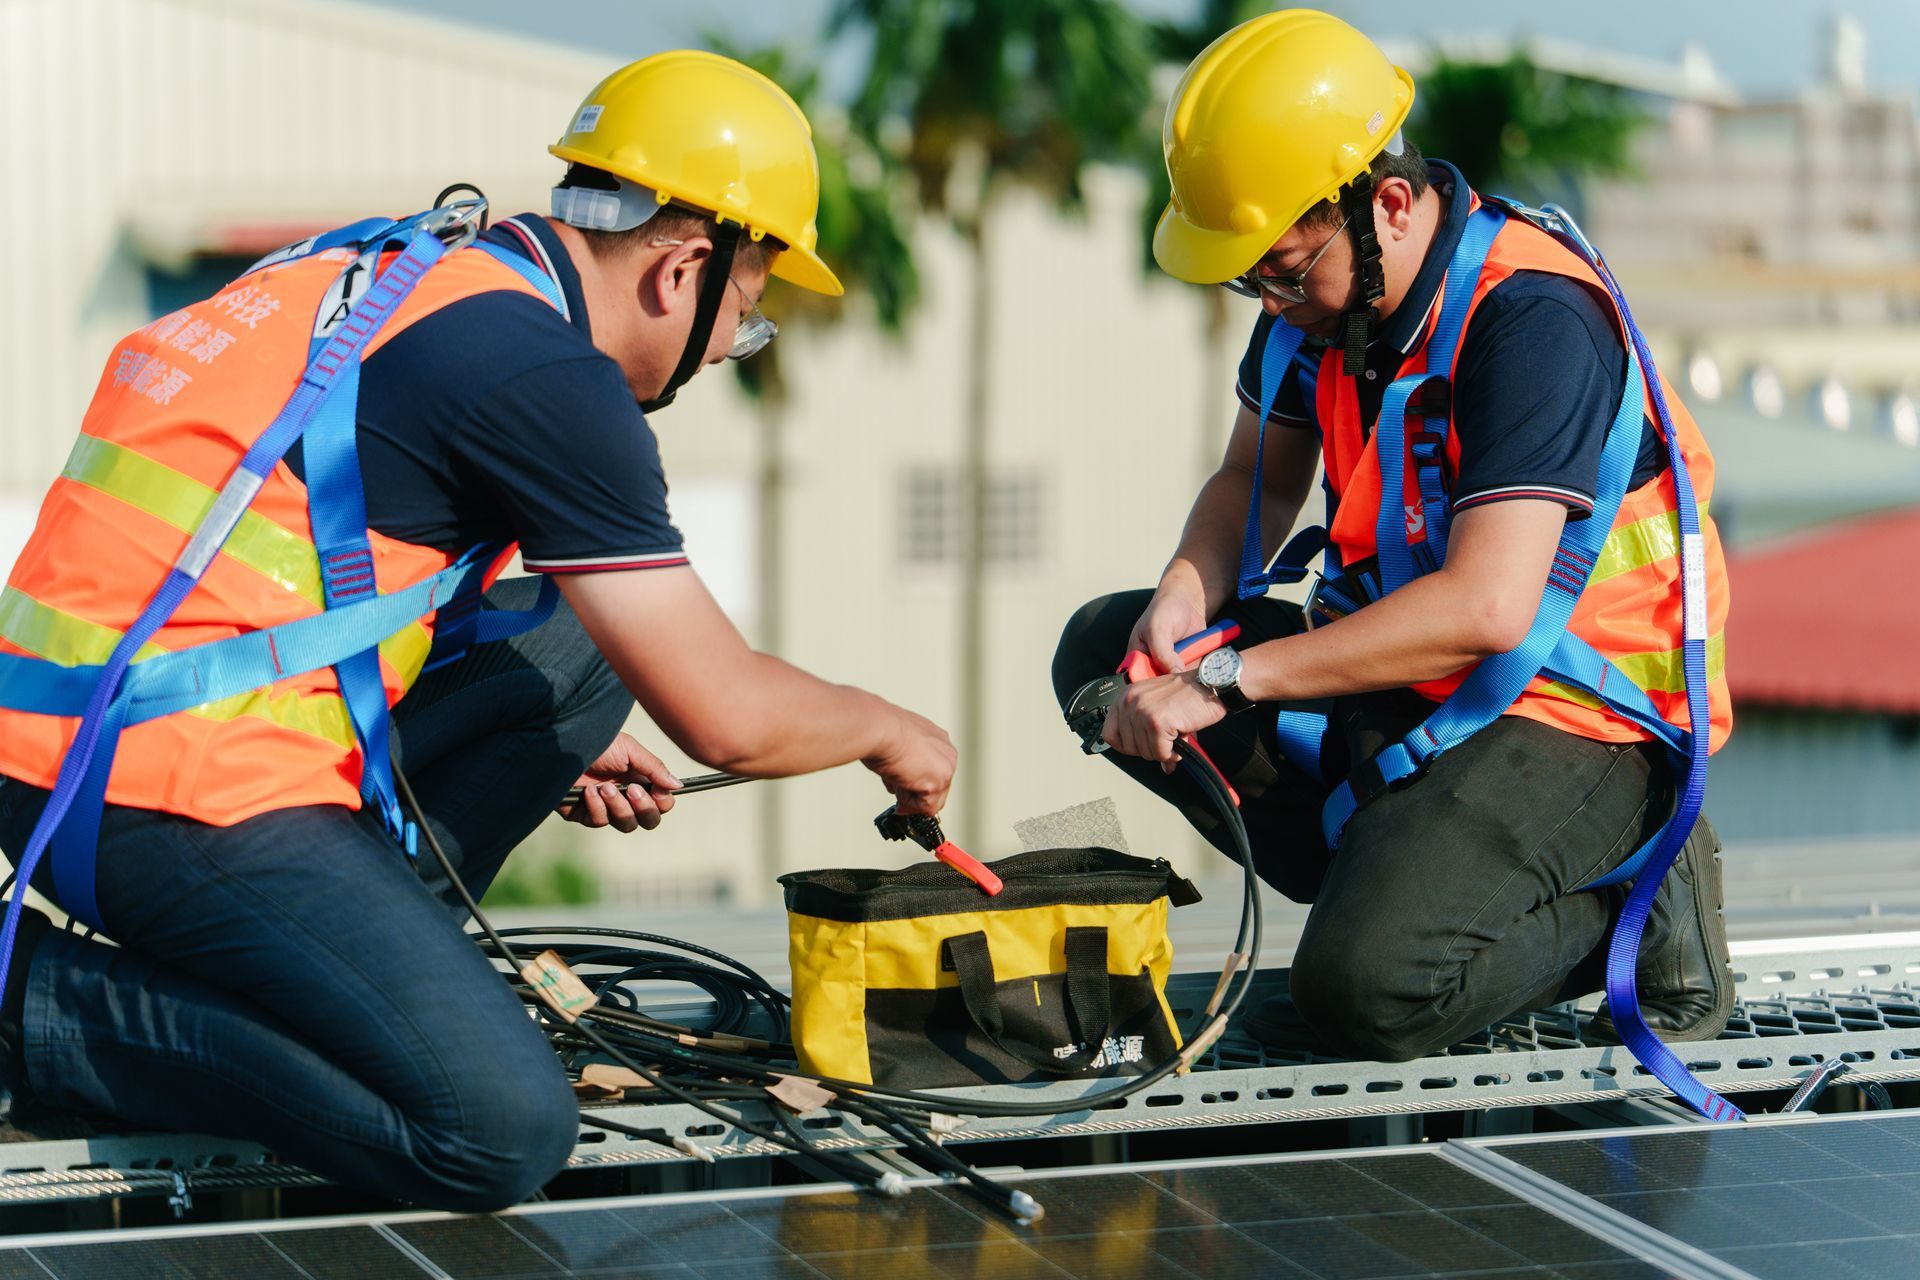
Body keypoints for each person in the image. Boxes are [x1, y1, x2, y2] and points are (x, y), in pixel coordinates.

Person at [0, 51, 953, 1210]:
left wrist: (548, 736)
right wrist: (890, 730)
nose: (721, 351)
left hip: (58, 738)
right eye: (743, 321)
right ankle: (34, 1006)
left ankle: (354, 984)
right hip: (166, 786)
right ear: (683, 268)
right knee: (495, 1125)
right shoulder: (544, 376)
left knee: (584, 646)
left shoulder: (385, 265)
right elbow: (728, 719)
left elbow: (323, 562)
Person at [1052, 10, 1734, 1065]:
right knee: (1104, 656)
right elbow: (1250, 480)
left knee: (1367, 993)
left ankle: (1636, 903)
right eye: (1251, 280)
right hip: (1415, 671)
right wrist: (1186, 598)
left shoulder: (1531, 319)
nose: (1270, 301)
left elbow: (1486, 608)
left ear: (1390, 206)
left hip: (1578, 714)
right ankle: (1403, 881)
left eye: (1284, 273)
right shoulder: (1323, 307)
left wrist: (1227, 677)